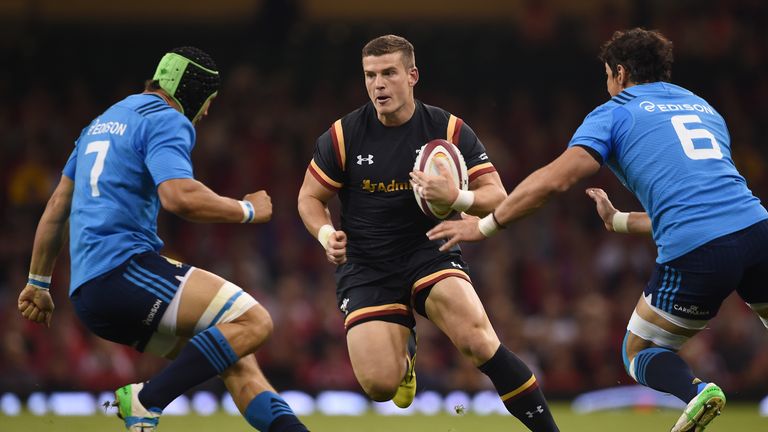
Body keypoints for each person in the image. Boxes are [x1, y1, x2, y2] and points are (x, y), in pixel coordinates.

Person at [428, 27, 768, 431]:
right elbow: (707, 205)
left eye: (608, 75)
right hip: (757, 230)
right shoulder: (704, 108)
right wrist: (619, 221)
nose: (608, 84)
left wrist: (484, 226)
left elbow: (555, 180)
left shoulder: (616, 111)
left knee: (640, 350)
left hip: (699, 250)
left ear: (620, 73)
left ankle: (697, 393)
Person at [17, 47, 309, 432]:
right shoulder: (167, 119)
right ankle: (146, 400)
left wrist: (38, 282)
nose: (205, 113)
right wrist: (247, 209)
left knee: (238, 362)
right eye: (208, 101)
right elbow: (178, 197)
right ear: (191, 92)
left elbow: (57, 205)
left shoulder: (101, 123)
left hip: (89, 295)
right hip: (124, 271)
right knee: (254, 321)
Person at [297, 35, 560, 432]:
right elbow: (309, 198)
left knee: (479, 340)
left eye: (389, 73)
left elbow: (497, 197)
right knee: (379, 386)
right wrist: (323, 234)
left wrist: (457, 195)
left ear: (412, 75)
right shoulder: (343, 134)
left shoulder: (448, 129)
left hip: (430, 249)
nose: (378, 84)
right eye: (370, 75)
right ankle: (406, 354)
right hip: (367, 264)